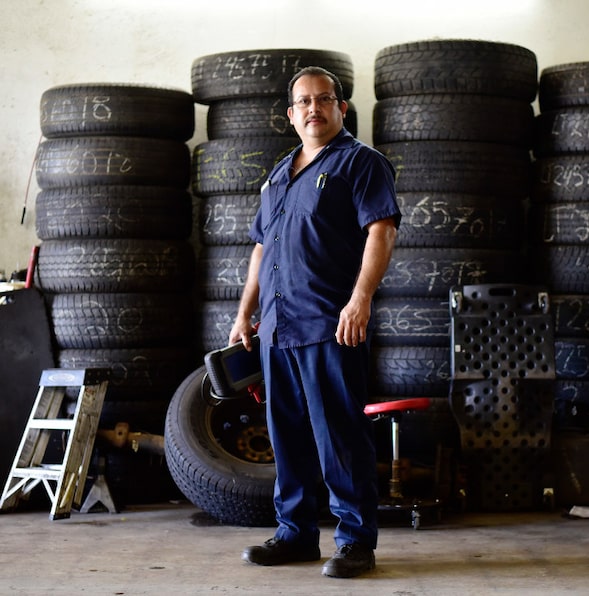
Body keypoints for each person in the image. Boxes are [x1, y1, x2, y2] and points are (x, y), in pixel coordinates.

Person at [229, 66, 401, 579]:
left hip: (330, 322)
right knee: (288, 437)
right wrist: (245, 315)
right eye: (303, 101)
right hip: (277, 329)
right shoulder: (280, 172)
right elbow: (262, 248)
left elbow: (382, 231)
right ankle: (296, 534)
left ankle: (354, 542)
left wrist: (360, 299)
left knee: (339, 435)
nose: (313, 108)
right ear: (290, 115)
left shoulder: (362, 163)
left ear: (341, 108)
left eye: (323, 99)